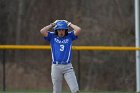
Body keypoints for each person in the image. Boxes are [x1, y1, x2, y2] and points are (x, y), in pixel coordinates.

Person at [40, 20, 81, 93]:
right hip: (56, 66)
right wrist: (52, 24)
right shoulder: (52, 36)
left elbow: (78, 30)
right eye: (59, 30)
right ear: (56, 30)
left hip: (68, 66)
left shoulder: (69, 36)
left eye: (63, 30)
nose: (61, 31)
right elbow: (42, 31)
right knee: (56, 91)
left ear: (66, 30)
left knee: (75, 90)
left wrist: (69, 23)